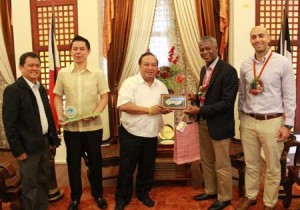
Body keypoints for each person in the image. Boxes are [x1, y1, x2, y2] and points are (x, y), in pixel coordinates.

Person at [236, 26, 296, 210]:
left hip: (273, 122)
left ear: (268, 38)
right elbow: (243, 94)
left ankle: (269, 203)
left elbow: (290, 95)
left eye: (261, 35)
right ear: (250, 40)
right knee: (251, 164)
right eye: (253, 37)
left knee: (272, 167)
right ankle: (251, 195)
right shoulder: (246, 65)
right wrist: (241, 119)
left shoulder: (282, 62)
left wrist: (288, 125)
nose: (257, 40)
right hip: (249, 121)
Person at [53, 35, 110, 210]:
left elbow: (104, 96)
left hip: (93, 127)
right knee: (73, 163)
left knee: (95, 162)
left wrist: (96, 112)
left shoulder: (97, 73)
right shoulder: (63, 73)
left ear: (88, 51)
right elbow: (57, 96)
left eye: (82, 49)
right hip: (71, 128)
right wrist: (60, 115)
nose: (78, 52)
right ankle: (75, 197)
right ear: (71, 51)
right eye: (75, 48)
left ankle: (98, 194)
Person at [184, 36, 238, 210]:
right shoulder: (203, 70)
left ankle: (224, 197)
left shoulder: (228, 71)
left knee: (221, 163)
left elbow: (227, 102)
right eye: (202, 50)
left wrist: (200, 110)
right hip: (204, 123)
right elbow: (207, 95)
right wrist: (196, 98)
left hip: (220, 124)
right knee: (206, 161)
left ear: (216, 49)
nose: (205, 52)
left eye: (208, 49)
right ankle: (210, 190)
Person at [2, 52, 60, 210]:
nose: (35, 68)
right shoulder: (13, 90)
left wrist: (52, 139)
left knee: (43, 182)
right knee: (30, 187)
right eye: (30, 65)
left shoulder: (40, 88)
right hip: (26, 148)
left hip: (44, 143)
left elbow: (46, 115)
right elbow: (9, 123)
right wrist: (18, 149)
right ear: (21, 68)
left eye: (37, 65)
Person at [114, 52, 171, 210]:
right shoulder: (130, 83)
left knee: (147, 168)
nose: (150, 68)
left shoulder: (161, 85)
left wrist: (165, 110)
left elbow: (163, 106)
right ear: (139, 66)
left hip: (151, 133)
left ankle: (143, 193)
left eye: (153, 65)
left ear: (157, 68)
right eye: (146, 64)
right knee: (127, 168)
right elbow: (123, 105)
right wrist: (149, 110)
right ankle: (122, 198)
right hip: (131, 132)